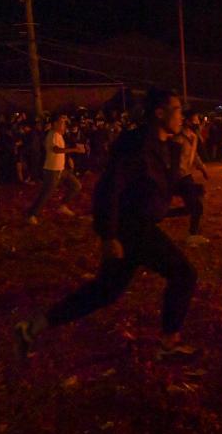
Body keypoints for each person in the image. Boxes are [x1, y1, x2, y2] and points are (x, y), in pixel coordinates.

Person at [14, 88, 199, 361]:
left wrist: (190, 190)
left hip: (139, 226)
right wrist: (108, 234)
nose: (181, 116)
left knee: (105, 291)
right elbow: (109, 187)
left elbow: (165, 181)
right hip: (131, 227)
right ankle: (169, 344)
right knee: (184, 273)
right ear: (159, 112)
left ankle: (32, 327)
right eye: (177, 110)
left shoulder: (167, 146)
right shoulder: (135, 144)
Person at [25, 115, 85, 224]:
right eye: (62, 123)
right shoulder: (52, 135)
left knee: (76, 186)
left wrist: (69, 158)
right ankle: (32, 214)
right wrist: (74, 150)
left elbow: (61, 150)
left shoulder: (59, 135)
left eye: (64, 124)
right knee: (47, 193)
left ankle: (62, 206)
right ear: (55, 124)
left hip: (61, 169)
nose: (64, 126)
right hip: (52, 170)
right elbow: (56, 150)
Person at [172, 110, 210, 247]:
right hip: (179, 176)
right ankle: (192, 235)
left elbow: (195, 156)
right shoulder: (178, 138)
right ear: (187, 121)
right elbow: (173, 160)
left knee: (193, 206)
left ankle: (161, 215)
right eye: (195, 120)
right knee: (197, 205)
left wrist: (203, 169)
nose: (198, 123)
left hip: (186, 175)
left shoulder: (193, 136)